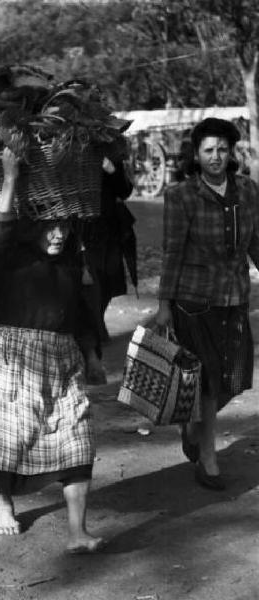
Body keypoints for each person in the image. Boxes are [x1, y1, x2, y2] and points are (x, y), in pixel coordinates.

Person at [0, 148, 104, 553]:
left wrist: (91, 354)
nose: (58, 233)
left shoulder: (70, 262)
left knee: (78, 439)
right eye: (50, 227)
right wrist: (10, 176)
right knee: (11, 440)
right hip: (12, 360)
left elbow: (82, 313)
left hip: (62, 362)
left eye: (64, 226)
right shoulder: (9, 254)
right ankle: (3, 503)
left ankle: (78, 532)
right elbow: (1, 223)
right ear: (32, 228)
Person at [155, 117, 259, 491]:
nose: (216, 157)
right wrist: (165, 304)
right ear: (196, 156)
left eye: (222, 149)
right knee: (211, 383)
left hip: (234, 299)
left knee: (234, 379)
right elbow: (172, 253)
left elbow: (255, 242)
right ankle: (208, 458)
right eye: (208, 150)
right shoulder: (180, 195)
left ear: (231, 153)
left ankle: (193, 425)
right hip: (193, 302)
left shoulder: (247, 190)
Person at [82, 158, 136, 344]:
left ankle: (97, 324)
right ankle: (95, 329)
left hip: (110, 228)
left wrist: (111, 169)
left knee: (109, 281)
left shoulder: (111, 155)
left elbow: (125, 191)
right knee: (92, 282)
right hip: (85, 228)